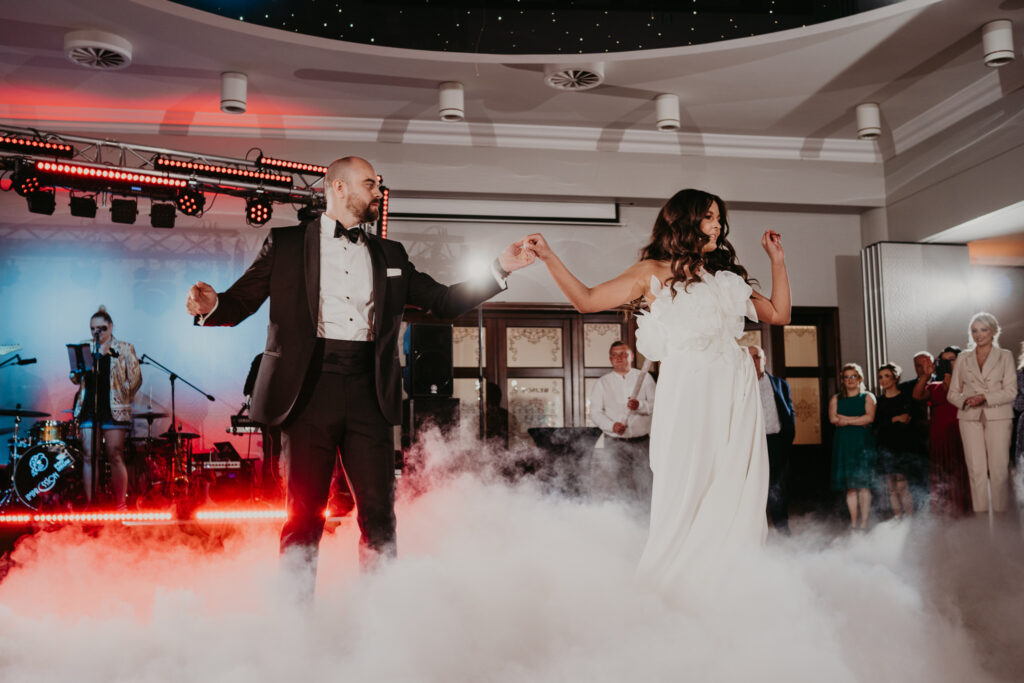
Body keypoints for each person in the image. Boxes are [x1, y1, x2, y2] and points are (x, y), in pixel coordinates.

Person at [186, 156, 534, 592]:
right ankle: (293, 615)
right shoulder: (286, 244)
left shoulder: (391, 254)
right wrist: (212, 305)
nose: (378, 192)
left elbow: (444, 300)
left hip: (371, 392)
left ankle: (379, 611)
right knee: (303, 515)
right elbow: (240, 302)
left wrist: (500, 269)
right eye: (369, 183)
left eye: (378, 184)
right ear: (338, 187)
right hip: (307, 391)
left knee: (379, 515)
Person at [524, 188, 791, 590]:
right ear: (685, 221)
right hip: (690, 391)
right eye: (708, 216)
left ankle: (729, 585)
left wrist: (777, 260)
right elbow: (587, 300)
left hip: (735, 391)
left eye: (719, 218)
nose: (717, 225)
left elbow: (780, 314)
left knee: (736, 489)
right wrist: (549, 258)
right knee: (689, 483)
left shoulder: (726, 277)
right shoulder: (651, 271)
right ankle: (672, 587)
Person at [70, 305, 142, 510]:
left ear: (110, 327)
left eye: (101, 328)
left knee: (115, 454)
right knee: (88, 455)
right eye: (93, 328)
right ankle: (91, 503)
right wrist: (76, 371)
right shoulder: (84, 347)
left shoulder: (124, 348)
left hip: (114, 408)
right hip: (88, 406)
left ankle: (121, 504)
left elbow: (135, 379)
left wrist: (122, 394)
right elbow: (74, 378)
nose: (97, 332)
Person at [947, 312, 1017, 513]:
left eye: (983, 330)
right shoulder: (963, 357)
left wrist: (985, 397)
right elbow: (952, 393)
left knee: (999, 470)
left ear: (994, 331)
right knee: (976, 470)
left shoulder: (1005, 356)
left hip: (999, 416)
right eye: (974, 331)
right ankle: (981, 520)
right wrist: (965, 401)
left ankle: (1001, 516)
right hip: (969, 416)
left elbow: (1011, 391)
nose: (978, 335)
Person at [589, 340, 656, 507]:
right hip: (614, 443)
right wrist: (612, 426)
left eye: (623, 354)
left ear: (631, 357)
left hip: (642, 443)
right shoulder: (602, 383)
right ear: (610, 359)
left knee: (646, 483)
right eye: (615, 355)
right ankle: (623, 517)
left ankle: (645, 518)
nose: (619, 358)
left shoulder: (645, 378)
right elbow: (595, 413)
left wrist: (639, 405)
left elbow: (658, 406)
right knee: (617, 485)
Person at [913, 346, 972, 516]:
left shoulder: (967, 385)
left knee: (961, 473)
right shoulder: (934, 386)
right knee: (941, 475)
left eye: (951, 360)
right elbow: (917, 395)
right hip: (939, 438)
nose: (947, 364)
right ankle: (943, 515)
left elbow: (952, 391)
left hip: (960, 436)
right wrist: (926, 375)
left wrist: (950, 374)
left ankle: (964, 513)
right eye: (943, 361)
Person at [748, 345, 795, 533]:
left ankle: (782, 530)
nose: (754, 361)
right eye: (749, 358)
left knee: (778, 487)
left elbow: (789, 412)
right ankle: (755, 531)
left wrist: (787, 439)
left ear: (764, 359)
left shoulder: (780, 384)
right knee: (753, 487)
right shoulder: (741, 386)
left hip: (776, 442)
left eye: (757, 357)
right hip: (753, 445)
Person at [829, 363, 876, 530]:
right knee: (850, 487)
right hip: (844, 444)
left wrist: (846, 420)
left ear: (860, 378)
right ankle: (855, 523)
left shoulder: (868, 397)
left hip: (862, 444)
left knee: (863, 485)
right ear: (843, 380)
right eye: (846, 377)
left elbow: (869, 418)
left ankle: (864, 523)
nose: (850, 380)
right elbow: (833, 419)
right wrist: (858, 419)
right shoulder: (836, 398)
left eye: (853, 376)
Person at [874, 362, 916, 519]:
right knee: (891, 487)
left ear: (895, 378)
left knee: (903, 485)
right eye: (880, 377)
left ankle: (910, 520)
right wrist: (895, 419)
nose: (883, 380)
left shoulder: (905, 398)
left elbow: (910, 421)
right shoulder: (878, 401)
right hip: (885, 446)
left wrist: (896, 420)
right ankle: (898, 520)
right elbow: (876, 426)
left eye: (887, 376)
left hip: (903, 445)